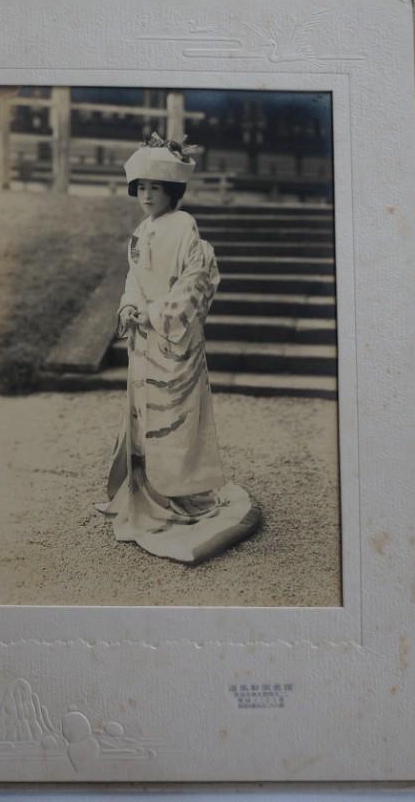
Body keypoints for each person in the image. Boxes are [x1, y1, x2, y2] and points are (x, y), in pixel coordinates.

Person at [96, 133, 259, 563]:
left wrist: (155, 314)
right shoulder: (139, 232)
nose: (148, 196)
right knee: (142, 415)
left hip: (174, 340)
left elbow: (193, 281)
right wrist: (130, 307)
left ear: (173, 191)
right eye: (142, 188)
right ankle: (147, 494)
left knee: (176, 419)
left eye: (157, 188)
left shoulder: (184, 226)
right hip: (144, 339)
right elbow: (133, 278)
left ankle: (184, 496)